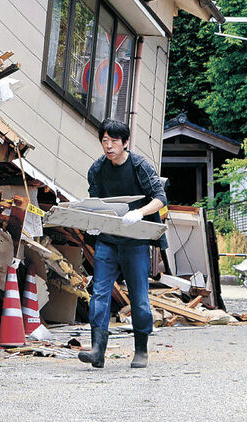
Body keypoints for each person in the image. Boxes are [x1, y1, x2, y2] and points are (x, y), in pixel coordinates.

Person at [78, 118, 167, 370]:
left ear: (125, 142)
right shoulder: (97, 169)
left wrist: (140, 212)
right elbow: (94, 200)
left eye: (114, 141)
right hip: (108, 240)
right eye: (104, 141)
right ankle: (97, 350)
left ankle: (141, 350)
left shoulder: (140, 166)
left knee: (138, 298)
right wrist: (93, 222)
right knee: (99, 294)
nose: (108, 146)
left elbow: (160, 197)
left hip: (136, 241)